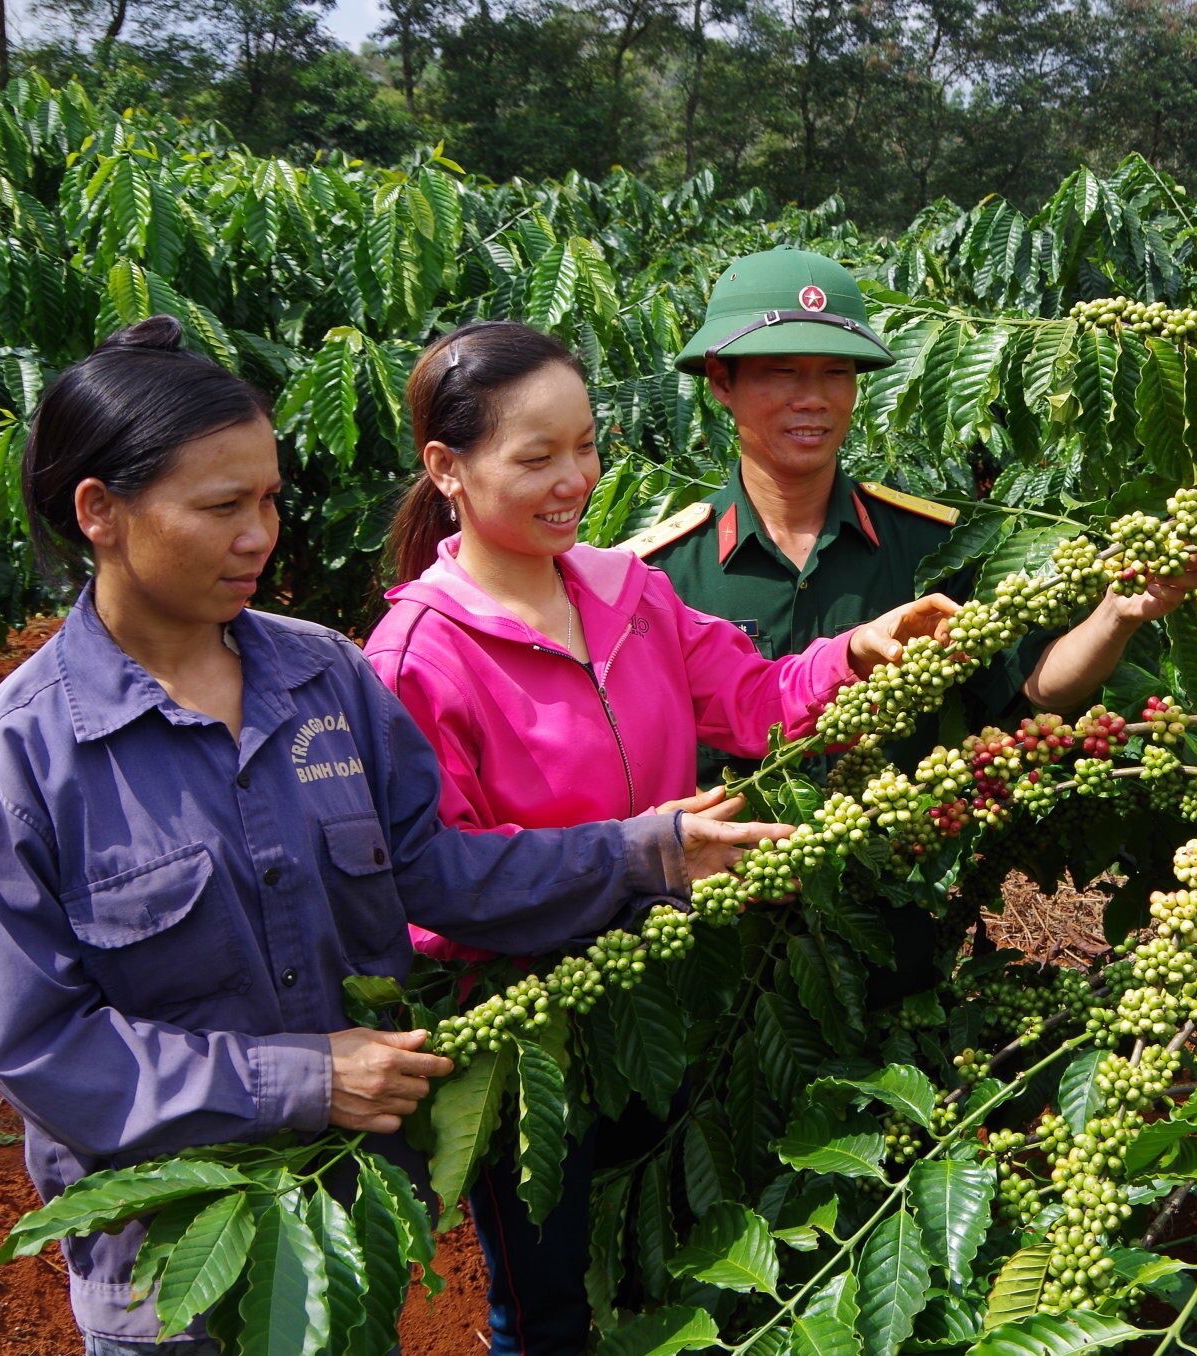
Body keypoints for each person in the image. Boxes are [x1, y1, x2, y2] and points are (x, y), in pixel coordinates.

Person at [0, 317, 786, 1355]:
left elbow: (439, 873)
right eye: (221, 508)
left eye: (269, 501)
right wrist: (303, 1078)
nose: (260, 538)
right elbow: (43, 1048)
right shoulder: (12, 767)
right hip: (174, 1274)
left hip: (353, 1220)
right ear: (100, 512)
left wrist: (638, 852)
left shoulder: (323, 680)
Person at [364, 319, 956, 1356]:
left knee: (668, 1258)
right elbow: (437, 880)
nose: (571, 480)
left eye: (584, 447)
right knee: (542, 1306)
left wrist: (855, 653)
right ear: (446, 470)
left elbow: (750, 699)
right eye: (534, 457)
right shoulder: (417, 655)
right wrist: (644, 853)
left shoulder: (628, 593)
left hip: (671, 988)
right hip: (522, 1029)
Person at [630, 248, 1197, 772]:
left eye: (837, 372)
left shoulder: (930, 544)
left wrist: (1116, 615)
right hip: (720, 877)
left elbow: (1034, 683)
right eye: (781, 372)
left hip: (899, 865)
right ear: (721, 381)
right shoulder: (661, 572)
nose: (814, 398)